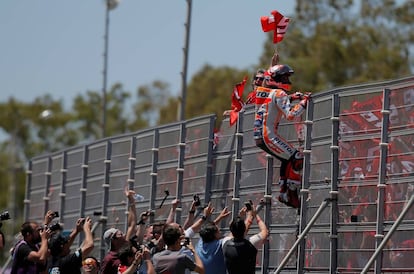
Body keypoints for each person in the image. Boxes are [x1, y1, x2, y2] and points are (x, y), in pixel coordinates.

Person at [253, 64, 311, 208]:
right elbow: (290, 115)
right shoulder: (280, 94)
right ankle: (290, 192)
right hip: (268, 136)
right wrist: (304, 103)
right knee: (297, 158)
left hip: (260, 135)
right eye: (284, 77)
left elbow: (273, 102)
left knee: (287, 159)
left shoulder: (263, 92)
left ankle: (284, 191)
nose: (287, 80)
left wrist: (291, 97)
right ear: (276, 78)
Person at [222, 201, 269, 274]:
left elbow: (236, 231)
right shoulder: (251, 244)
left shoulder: (225, 243)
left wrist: (242, 218)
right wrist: (255, 214)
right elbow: (265, 232)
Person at [101, 189, 138, 274]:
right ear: (113, 240)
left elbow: (132, 224)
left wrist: (131, 201)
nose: (123, 234)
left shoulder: (126, 246)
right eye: (120, 234)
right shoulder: (109, 258)